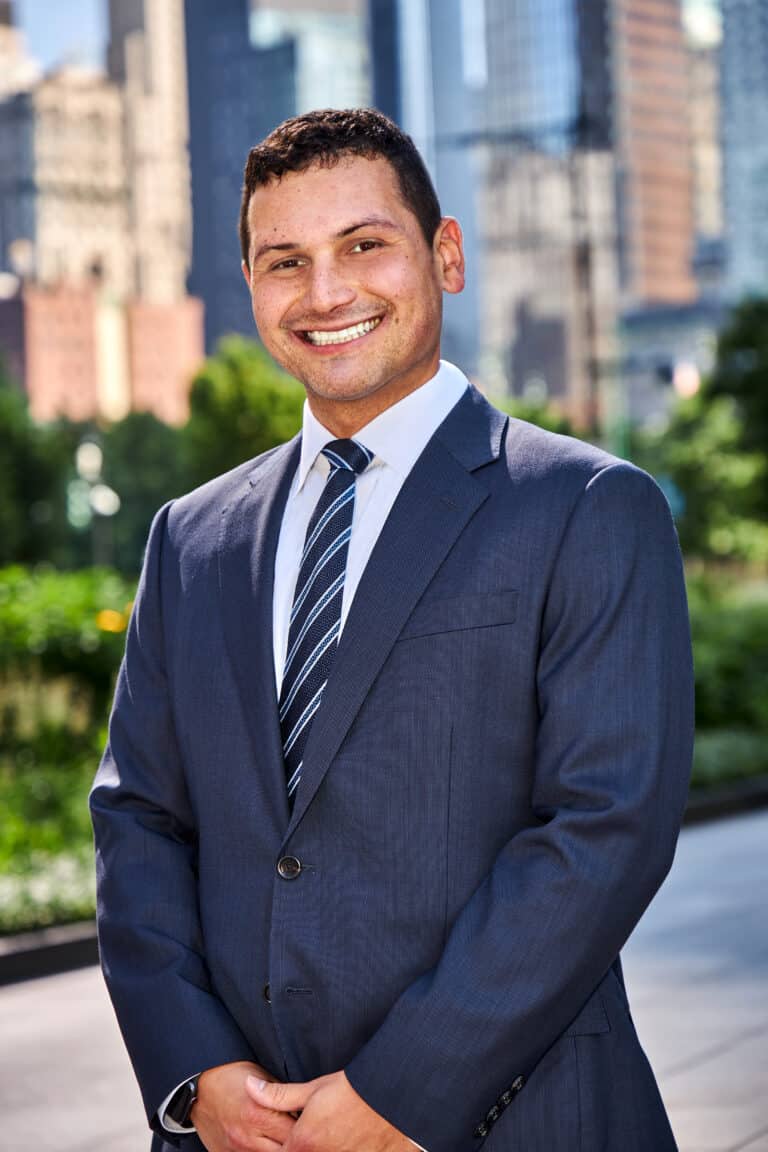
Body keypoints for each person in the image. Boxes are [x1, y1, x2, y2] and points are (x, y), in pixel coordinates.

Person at [91, 107, 694, 1152]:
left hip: (517, 1121)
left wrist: (400, 1093)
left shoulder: (589, 507)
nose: (326, 293)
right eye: (285, 261)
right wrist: (196, 1074)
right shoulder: (189, 539)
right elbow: (138, 817)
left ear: (445, 255)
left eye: (365, 244)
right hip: (243, 1131)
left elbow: (605, 827)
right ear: (252, 286)